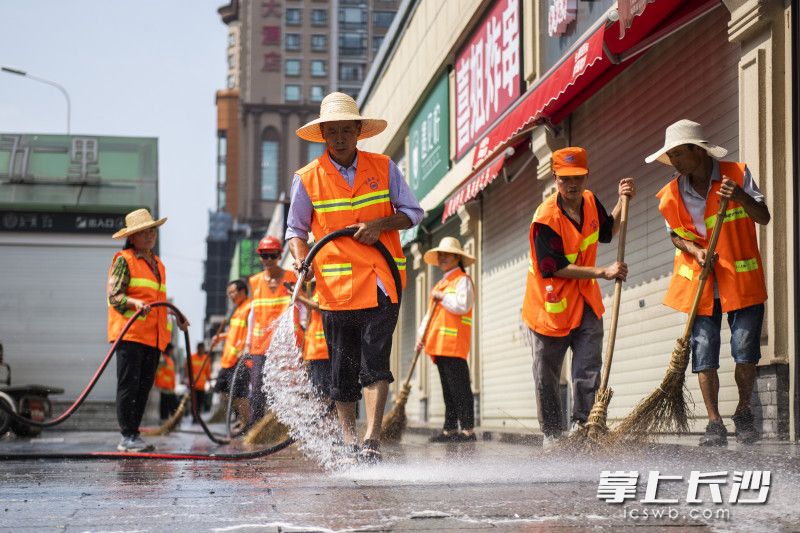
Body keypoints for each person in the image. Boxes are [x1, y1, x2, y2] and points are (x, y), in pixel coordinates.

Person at [286, 92, 423, 463]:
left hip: (382, 280)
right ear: (324, 135)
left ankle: (371, 439)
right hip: (336, 288)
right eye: (334, 132)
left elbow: (413, 212)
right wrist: (302, 260)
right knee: (342, 368)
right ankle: (348, 437)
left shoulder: (384, 168)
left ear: (359, 132)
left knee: (375, 360)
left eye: (348, 130)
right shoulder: (308, 179)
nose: (341, 138)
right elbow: (296, 231)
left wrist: (381, 223)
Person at [647, 119, 769, 446]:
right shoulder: (671, 194)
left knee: (745, 352)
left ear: (697, 151)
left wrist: (741, 196)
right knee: (704, 353)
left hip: (741, 282)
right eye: (669, 155)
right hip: (701, 286)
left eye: (677, 153)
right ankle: (714, 423)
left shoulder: (737, 175)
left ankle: (743, 411)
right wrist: (694, 250)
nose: (673, 161)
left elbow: (764, 217)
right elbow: (674, 234)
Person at [521, 147, 635, 448]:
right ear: (555, 178)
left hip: (585, 302)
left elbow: (607, 231)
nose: (572, 185)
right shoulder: (545, 219)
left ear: (586, 176)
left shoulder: (588, 200)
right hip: (551, 307)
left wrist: (622, 203)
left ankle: (584, 427)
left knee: (587, 369)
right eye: (565, 179)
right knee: (547, 375)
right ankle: (553, 434)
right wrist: (602, 272)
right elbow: (554, 268)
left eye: (578, 178)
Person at [108, 208, 188, 452]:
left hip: (153, 338)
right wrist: (134, 303)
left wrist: (177, 316)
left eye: (152, 231)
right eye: (144, 232)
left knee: (143, 388)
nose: (150, 235)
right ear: (132, 237)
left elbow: (158, 301)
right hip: (130, 335)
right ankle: (127, 436)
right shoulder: (125, 260)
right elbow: (115, 297)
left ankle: (134, 434)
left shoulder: (158, 264)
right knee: (129, 386)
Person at [417, 237, 477, 443]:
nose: (442, 258)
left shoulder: (463, 280)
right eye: (440, 254)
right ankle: (449, 429)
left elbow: (462, 305)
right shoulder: (441, 283)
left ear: (457, 257)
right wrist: (421, 336)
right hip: (438, 344)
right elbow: (430, 315)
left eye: (446, 254)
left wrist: (442, 297)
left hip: (454, 344)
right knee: (448, 390)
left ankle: (468, 430)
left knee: (459, 387)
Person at [244, 235, 298, 428]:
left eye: (272, 255)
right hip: (260, 346)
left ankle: (286, 427)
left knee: (286, 387)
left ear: (279, 255)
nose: (268, 259)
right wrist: (247, 344)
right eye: (264, 255)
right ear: (260, 257)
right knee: (257, 388)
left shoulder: (291, 278)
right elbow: (252, 315)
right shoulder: (255, 281)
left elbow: (301, 309)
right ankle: (255, 427)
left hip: (284, 346)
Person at [212, 279, 252, 426]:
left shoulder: (249, 307)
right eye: (228, 293)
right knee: (225, 391)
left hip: (240, 359)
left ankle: (246, 423)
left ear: (242, 291)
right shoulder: (237, 309)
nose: (230, 296)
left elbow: (251, 331)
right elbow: (234, 332)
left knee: (240, 393)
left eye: (232, 292)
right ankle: (242, 420)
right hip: (228, 359)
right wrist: (220, 337)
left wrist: (244, 350)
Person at [302, 281, 331, 399]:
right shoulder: (313, 292)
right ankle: (323, 416)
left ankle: (329, 417)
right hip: (314, 351)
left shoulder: (323, 288)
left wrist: (299, 298)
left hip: (322, 351)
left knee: (324, 391)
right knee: (318, 391)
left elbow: (318, 306)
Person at [188, 342, 212, 423]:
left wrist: (209, 380)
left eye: (202, 348)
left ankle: (197, 417)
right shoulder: (192, 357)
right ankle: (194, 418)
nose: (201, 350)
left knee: (200, 403)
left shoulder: (206, 359)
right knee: (194, 403)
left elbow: (208, 372)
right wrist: (186, 379)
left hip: (202, 385)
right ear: (197, 348)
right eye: (200, 348)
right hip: (193, 385)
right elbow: (187, 369)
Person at [154, 342, 178, 422]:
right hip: (164, 387)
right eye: (172, 350)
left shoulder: (170, 360)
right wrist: (162, 384)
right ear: (168, 350)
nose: (172, 352)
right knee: (164, 405)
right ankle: (164, 421)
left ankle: (172, 421)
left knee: (173, 405)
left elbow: (172, 374)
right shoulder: (163, 359)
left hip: (170, 388)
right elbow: (159, 371)